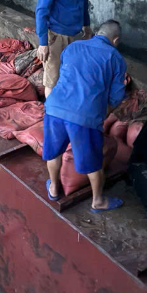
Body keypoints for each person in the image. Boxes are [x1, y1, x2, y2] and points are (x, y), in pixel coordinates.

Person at [42, 20, 128, 212]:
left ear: (97, 32)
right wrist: (100, 115)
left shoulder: (74, 46)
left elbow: (65, 74)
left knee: (54, 153)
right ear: (115, 40)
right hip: (84, 117)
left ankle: (54, 188)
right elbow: (116, 96)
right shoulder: (115, 57)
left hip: (54, 108)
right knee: (93, 164)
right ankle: (98, 201)